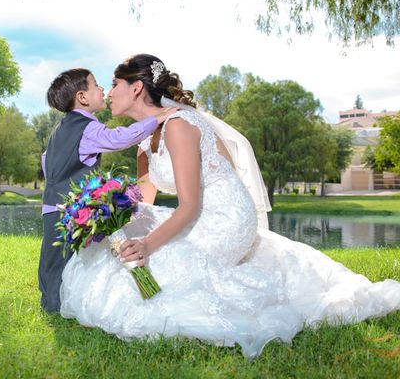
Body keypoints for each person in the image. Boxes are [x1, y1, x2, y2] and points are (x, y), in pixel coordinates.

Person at [59, 54, 400, 358]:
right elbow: (144, 198)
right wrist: (109, 208)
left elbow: (190, 206)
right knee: (120, 242)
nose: (109, 91)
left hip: (224, 217)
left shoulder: (179, 125)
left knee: (169, 269)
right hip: (195, 214)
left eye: (115, 83)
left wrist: (147, 244)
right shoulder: (143, 137)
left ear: (135, 88)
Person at [39, 68, 177, 313]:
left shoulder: (60, 130)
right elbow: (118, 138)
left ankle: (52, 303)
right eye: (96, 85)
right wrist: (155, 120)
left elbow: (47, 162)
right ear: (82, 97)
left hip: (53, 207)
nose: (103, 89)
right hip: (68, 208)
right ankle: (55, 306)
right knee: (63, 260)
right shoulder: (87, 128)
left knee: (54, 260)